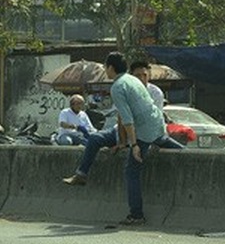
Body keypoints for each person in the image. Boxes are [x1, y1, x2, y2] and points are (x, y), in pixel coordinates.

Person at [63, 51, 172, 225]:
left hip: (143, 130)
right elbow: (129, 115)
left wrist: (134, 144)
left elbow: (127, 118)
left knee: (131, 171)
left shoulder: (118, 86)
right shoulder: (132, 81)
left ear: (111, 68)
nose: (105, 70)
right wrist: (124, 142)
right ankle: (81, 175)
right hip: (154, 125)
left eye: (106, 67)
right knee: (167, 144)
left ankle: (136, 215)